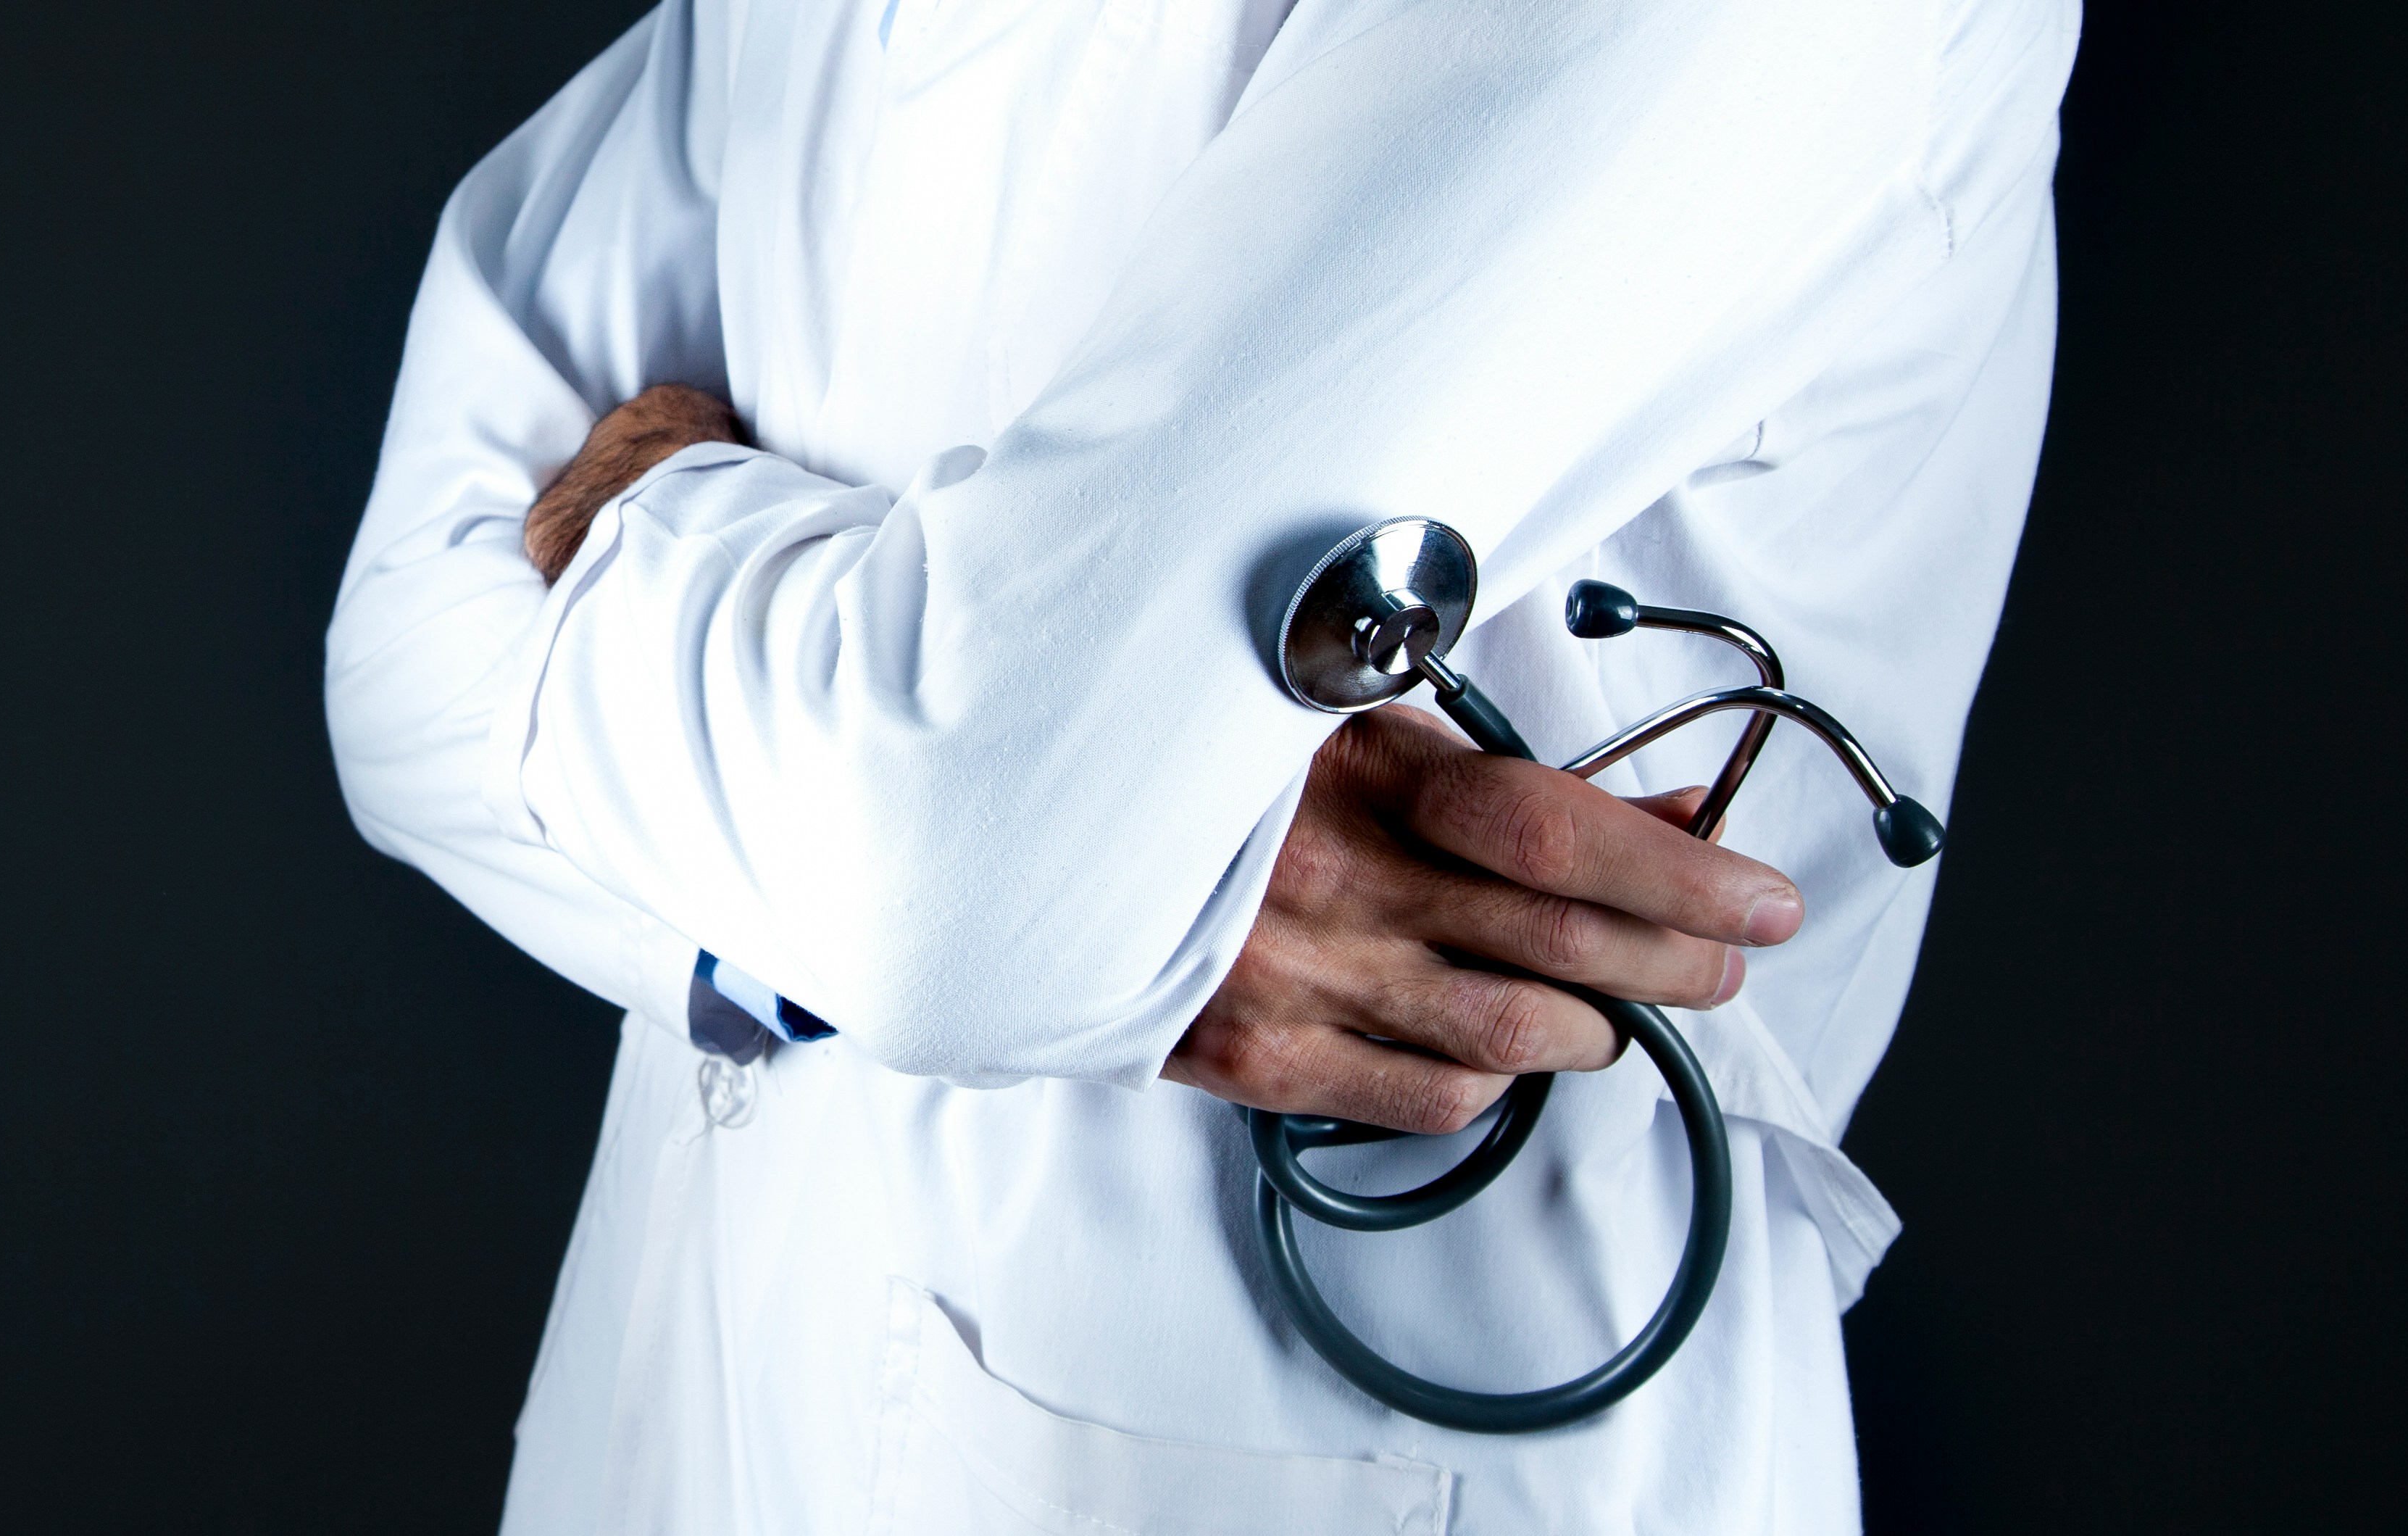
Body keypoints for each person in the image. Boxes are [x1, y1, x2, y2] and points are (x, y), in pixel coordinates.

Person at [322, 0, 2075, 1529]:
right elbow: (399, 649)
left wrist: (634, 528)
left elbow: (959, 864)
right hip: (696, 1414)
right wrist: (947, 833)